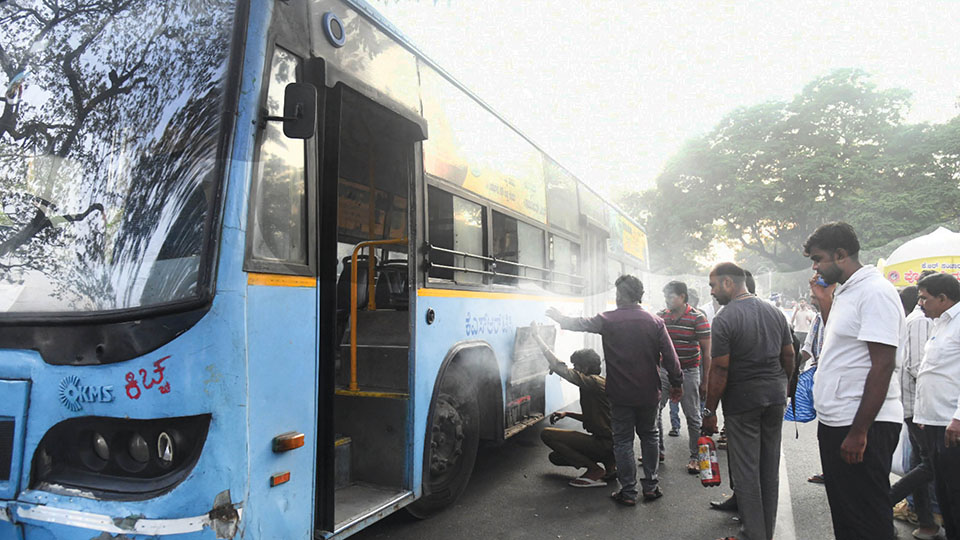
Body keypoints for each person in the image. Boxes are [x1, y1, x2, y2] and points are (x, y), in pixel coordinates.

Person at [804, 222, 905, 540]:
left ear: (841, 254)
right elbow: (847, 348)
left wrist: (860, 431)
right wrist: (824, 302)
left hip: (863, 425)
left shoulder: (875, 292)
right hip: (840, 421)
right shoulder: (848, 291)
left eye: (818, 259)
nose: (816, 267)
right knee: (848, 515)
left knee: (867, 518)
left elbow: (882, 364)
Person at [546, 275, 682, 506]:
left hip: (620, 394)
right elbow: (671, 357)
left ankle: (628, 492)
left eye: (617, 293)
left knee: (623, 442)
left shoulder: (608, 319)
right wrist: (677, 383)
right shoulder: (655, 322)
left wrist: (560, 318)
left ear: (622, 295)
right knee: (650, 436)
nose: (616, 297)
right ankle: (650, 486)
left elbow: (580, 323)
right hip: (649, 393)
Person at [702, 262, 795, 540]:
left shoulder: (725, 318)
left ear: (729, 283)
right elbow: (789, 355)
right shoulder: (774, 312)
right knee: (769, 469)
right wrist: (783, 385)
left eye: (714, 285)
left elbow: (719, 368)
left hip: (743, 403)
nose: (712, 291)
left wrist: (709, 410)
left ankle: (753, 535)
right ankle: (765, 531)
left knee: (746, 473)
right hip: (774, 399)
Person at [531, 324, 616, 488]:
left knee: (547, 434)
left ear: (585, 368)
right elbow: (599, 417)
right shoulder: (598, 383)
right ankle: (610, 466)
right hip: (612, 443)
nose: (574, 369)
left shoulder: (592, 382)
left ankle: (594, 470)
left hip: (606, 443)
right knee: (556, 457)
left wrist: (537, 337)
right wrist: (567, 414)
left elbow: (561, 368)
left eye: (576, 366)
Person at [889, 282, 941, 540]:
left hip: (921, 407)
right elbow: (917, 367)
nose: (923, 303)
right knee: (931, 465)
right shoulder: (920, 321)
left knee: (920, 465)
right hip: (921, 407)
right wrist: (927, 406)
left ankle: (927, 523)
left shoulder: (925, 320)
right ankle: (881, 501)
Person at [914, 272, 960, 540]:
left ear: (943, 298)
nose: (920, 303)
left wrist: (958, 418)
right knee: (943, 493)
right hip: (933, 421)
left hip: (951, 423)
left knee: (956, 492)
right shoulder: (939, 324)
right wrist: (923, 413)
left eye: (924, 298)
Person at [656, 281, 711, 474]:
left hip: (689, 371)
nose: (667, 300)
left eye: (671, 296)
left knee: (693, 416)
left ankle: (696, 457)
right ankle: (657, 451)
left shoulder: (698, 318)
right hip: (665, 371)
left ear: (682, 297)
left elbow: (707, 353)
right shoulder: (661, 316)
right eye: (666, 297)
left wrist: (705, 381)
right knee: (655, 410)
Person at [801, 276, 836, 485]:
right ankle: (829, 470)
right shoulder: (817, 319)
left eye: (816, 296)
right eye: (813, 296)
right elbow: (807, 349)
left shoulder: (838, 316)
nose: (813, 300)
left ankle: (836, 472)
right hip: (820, 379)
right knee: (825, 431)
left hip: (836, 382)